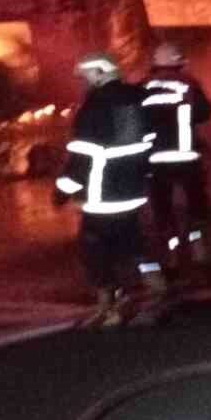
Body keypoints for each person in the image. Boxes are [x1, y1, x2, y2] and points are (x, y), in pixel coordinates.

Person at [52, 52, 168, 327]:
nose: (84, 81)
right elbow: (150, 142)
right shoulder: (138, 99)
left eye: (88, 75)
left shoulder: (94, 107)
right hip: (133, 190)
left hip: (102, 195)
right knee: (134, 241)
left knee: (94, 249)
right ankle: (156, 284)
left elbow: (81, 157)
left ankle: (109, 305)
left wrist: (62, 190)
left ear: (102, 73)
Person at [141, 41, 211, 273]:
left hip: (156, 159)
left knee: (163, 208)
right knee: (196, 205)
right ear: (179, 63)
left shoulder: (144, 86)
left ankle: (171, 256)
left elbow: (138, 120)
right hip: (187, 157)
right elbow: (204, 113)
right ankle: (199, 252)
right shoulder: (189, 83)